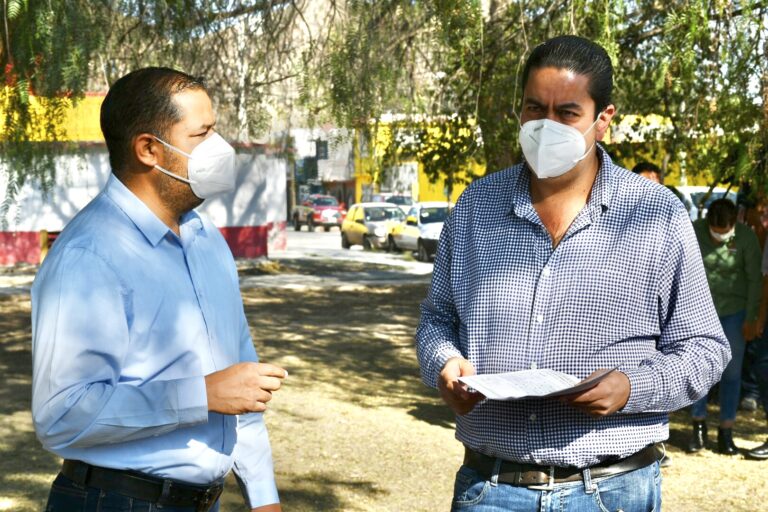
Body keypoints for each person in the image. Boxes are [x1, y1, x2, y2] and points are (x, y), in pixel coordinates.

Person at [415, 35, 730, 512]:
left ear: (603, 120)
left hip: (612, 490)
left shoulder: (656, 214)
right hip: (492, 488)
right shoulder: (475, 207)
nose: (546, 126)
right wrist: (443, 364)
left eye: (566, 113)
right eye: (534, 108)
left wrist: (630, 388)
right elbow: (436, 319)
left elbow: (706, 349)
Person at [31, 68, 287, 511]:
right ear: (149, 149)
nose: (218, 148)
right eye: (200, 134)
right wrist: (200, 395)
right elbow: (61, 416)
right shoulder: (89, 255)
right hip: (112, 500)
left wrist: (264, 498)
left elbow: (240, 384)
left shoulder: (207, 240)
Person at [688, 198, 761, 455]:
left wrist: (751, 318)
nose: (720, 237)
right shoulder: (693, 231)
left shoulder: (746, 238)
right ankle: (698, 427)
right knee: (698, 370)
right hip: (699, 313)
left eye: (725, 232)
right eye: (715, 232)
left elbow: (754, 280)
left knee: (731, 374)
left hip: (735, 313)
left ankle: (725, 432)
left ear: (733, 224)